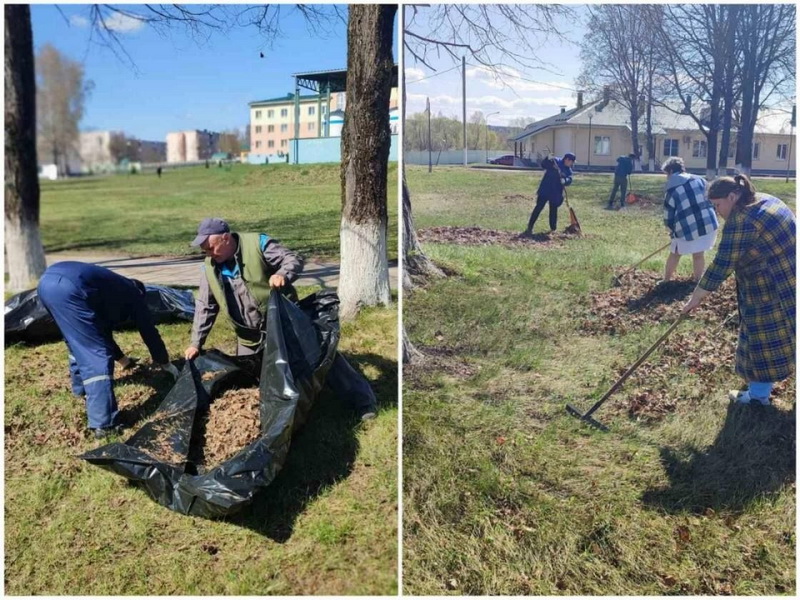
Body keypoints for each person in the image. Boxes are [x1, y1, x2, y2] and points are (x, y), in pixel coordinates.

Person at [184, 218, 378, 419]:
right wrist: (196, 343)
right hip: (249, 336)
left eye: (211, 248)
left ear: (225, 238)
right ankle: (272, 415)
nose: (208, 254)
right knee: (250, 376)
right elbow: (205, 307)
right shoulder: (209, 267)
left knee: (319, 355)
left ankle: (362, 401)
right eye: (205, 250)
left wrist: (283, 274)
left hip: (283, 322)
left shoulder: (257, 244)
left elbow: (292, 259)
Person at [682, 174, 795, 406]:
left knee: (761, 341)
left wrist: (695, 298)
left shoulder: (742, 220)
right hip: (791, 278)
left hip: (768, 288)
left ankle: (757, 397)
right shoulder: (765, 199)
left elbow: (722, 264)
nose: (717, 212)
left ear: (732, 197)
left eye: (717, 205)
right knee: (791, 333)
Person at [37, 262, 179, 438]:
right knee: (97, 354)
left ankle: (80, 389)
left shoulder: (109, 290)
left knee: (77, 341)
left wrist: (123, 361)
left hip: (45, 284)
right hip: (71, 286)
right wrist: (165, 362)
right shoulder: (134, 294)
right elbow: (149, 332)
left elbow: (101, 333)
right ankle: (104, 424)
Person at [661, 156, 719, 282]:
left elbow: (668, 214)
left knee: (675, 253)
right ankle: (697, 281)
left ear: (670, 171)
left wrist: (671, 230)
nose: (667, 177)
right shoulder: (700, 180)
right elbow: (712, 200)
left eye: (666, 174)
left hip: (686, 227)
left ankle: (666, 280)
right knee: (699, 254)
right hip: (708, 223)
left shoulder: (671, 189)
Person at [521, 152, 576, 237]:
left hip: (555, 193)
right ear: (567, 160)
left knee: (553, 210)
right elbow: (543, 165)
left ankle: (553, 229)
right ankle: (530, 227)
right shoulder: (554, 161)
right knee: (538, 207)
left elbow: (569, 179)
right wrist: (547, 158)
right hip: (545, 189)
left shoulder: (568, 170)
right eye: (571, 162)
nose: (572, 164)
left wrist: (565, 181)